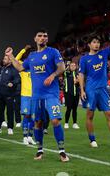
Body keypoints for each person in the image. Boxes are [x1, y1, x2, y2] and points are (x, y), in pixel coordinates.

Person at [6, 28, 69, 162]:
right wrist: (11, 56)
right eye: (40, 36)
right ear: (35, 38)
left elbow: (62, 67)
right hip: (36, 96)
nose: (43, 38)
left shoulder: (53, 52)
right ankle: (40, 150)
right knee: (38, 123)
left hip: (51, 94)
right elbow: (20, 67)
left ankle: (62, 151)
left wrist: (53, 75)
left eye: (45, 36)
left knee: (55, 120)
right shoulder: (32, 56)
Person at [78, 22, 110, 149]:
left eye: (98, 42)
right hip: (90, 90)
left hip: (103, 90)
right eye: (94, 42)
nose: (97, 44)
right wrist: (82, 90)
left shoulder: (103, 53)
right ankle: (92, 140)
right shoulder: (84, 59)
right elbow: (81, 74)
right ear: (89, 44)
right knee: (90, 115)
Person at [0, 54, 20, 135]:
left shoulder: (14, 69)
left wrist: (12, 83)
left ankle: (10, 128)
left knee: (9, 112)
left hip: (9, 94)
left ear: (10, 60)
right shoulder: (4, 68)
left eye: (5, 59)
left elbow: (18, 79)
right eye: (3, 58)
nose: (3, 60)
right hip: (0, 94)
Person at [14, 45, 36, 145]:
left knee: (33, 117)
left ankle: (30, 137)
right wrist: (24, 49)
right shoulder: (22, 67)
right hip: (25, 95)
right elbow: (15, 59)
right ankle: (24, 137)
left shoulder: (37, 68)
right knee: (26, 116)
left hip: (35, 95)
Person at [63, 62, 80, 129]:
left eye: (74, 65)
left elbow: (79, 83)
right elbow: (63, 70)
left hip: (76, 93)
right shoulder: (67, 73)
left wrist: (78, 81)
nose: (73, 67)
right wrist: (68, 65)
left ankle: (74, 123)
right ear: (69, 67)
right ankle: (66, 123)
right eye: (71, 66)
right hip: (68, 93)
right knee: (69, 108)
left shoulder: (77, 74)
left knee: (75, 109)